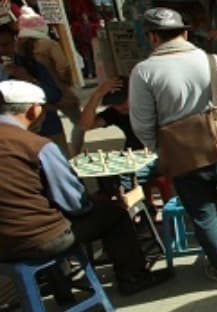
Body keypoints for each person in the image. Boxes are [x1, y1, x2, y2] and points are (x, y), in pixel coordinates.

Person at [129, 8, 217, 285]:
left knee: (203, 214)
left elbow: (142, 124)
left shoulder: (143, 72)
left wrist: (162, 150)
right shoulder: (216, 62)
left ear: (152, 37)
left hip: (184, 158)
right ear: (185, 33)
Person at [0, 80, 166, 296]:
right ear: (34, 109)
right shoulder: (37, 146)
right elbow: (75, 203)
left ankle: (60, 288)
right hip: (39, 239)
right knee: (114, 213)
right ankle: (133, 277)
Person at [16, 6, 82, 155]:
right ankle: (75, 153)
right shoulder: (49, 44)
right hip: (58, 90)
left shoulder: (18, 48)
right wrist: (67, 81)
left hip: (36, 93)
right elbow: (63, 66)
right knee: (81, 122)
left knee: (46, 128)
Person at [80, 76, 159, 195]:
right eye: (115, 104)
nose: (120, 107)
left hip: (158, 155)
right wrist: (97, 95)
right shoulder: (115, 113)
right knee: (104, 176)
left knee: (124, 180)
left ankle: (132, 207)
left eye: (123, 101)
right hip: (133, 157)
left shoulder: (151, 106)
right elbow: (85, 125)